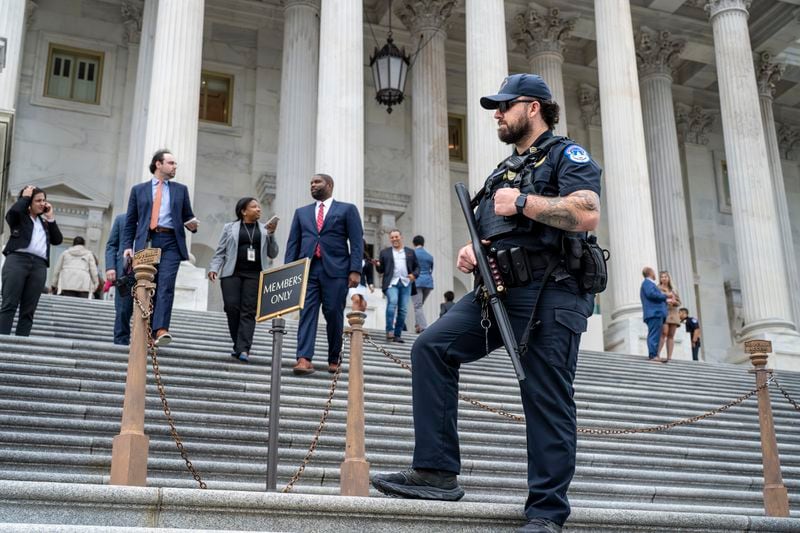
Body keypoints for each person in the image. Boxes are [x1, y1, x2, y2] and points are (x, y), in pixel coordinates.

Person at [371, 73, 602, 533]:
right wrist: (473, 250)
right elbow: (494, 226)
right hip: (495, 292)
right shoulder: (501, 170)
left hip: (551, 294)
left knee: (545, 397)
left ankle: (546, 512)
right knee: (431, 347)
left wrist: (523, 203)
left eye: (505, 105)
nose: (496, 113)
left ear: (533, 107)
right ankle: (436, 472)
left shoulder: (565, 155)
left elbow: (585, 212)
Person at [284, 173, 363, 375]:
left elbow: (356, 242)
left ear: (329, 185)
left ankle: (334, 357)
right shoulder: (301, 213)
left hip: (336, 271)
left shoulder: (347, 209)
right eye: (310, 182)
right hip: (308, 270)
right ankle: (303, 358)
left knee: (333, 314)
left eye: (316, 182)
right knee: (307, 313)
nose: (312, 185)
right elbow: (293, 243)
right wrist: (288, 272)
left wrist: (355, 270)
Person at [122, 149, 198, 347]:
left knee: (166, 284)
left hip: (171, 241)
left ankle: (161, 329)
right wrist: (127, 246)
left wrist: (192, 224)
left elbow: (188, 216)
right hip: (148, 240)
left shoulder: (181, 190)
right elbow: (131, 221)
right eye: (171, 163)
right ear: (158, 164)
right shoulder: (139, 190)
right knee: (147, 285)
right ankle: (146, 330)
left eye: (175, 164)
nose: (174, 167)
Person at [208, 197, 279, 363]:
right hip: (232, 274)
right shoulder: (229, 228)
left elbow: (273, 253)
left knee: (249, 311)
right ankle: (238, 344)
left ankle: (244, 348)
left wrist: (271, 235)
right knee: (232, 307)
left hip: (254, 275)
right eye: (254, 207)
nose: (259, 209)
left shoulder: (264, 229)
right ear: (243, 211)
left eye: (259, 206)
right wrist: (213, 268)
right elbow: (220, 251)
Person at [0, 186, 63, 336]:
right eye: (38, 200)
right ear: (29, 202)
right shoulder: (19, 217)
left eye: (44, 200)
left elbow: (58, 240)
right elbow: (12, 214)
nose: (43, 203)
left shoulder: (44, 223)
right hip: (17, 260)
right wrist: (25, 198)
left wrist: (51, 218)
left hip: (39, 266)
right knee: (9, 304)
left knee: (28, 310)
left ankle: (21, 344)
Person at [376, 229, 419, 343]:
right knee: (392, 302)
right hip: (391, 283)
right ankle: (389, 330)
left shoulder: (410, 252)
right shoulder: (385, 252)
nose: (394, 239)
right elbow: (381, 270)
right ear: (390, 239)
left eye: (396, 237)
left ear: (401, 237)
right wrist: (377, 265)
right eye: (392, 237)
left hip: (406, 283)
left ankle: (397, 334)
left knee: (403, 309)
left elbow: (417, 267)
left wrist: (414, 275)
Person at [105, 214, 134, 345]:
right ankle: (121, 342)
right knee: (122, 309)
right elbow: (112, 245)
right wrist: (110, 267)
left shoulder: (153, 220)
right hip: (124, 271)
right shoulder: (121, 219)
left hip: (146, 270)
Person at [640, 266, 668, 362]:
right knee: (654, 334)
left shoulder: (649, 284)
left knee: (656, 334)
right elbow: (651, 294)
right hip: (654, 313)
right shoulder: (647, 283)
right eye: (654, 272)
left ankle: (655, 355)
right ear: (651, 273)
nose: (655, 274)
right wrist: (665, 295)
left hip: (655, 313)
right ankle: (653, 355)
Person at [656, 270, 681, 362]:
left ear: (669, 278)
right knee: (664, 332)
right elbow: (656, 299)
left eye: (665, 276)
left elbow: (679, 302)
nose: (664, 278)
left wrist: (675, 302)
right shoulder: (657, 288)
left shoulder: (673, 289)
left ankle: (669, 356)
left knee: (671, 335)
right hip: (664, 312)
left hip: (673, 312)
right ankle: (657, 354)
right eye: (662, 277)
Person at [411, 235, 434, 333]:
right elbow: (431, 270)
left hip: (417, 282)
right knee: (419, 304)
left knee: (417, 305)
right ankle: (418, 326)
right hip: (428, 283)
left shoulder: (412, 254)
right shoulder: (429, 256)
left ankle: (423, 327)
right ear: (423, 243)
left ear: (413, 243)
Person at [348, 239, 375, 313]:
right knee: (356, 299)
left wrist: (371, 285)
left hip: (362, 284)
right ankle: (354, 322)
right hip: (352, 284)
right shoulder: (350, 258)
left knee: (363, 304)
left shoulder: (367, 261)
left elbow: (369, 275)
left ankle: (359, 322)